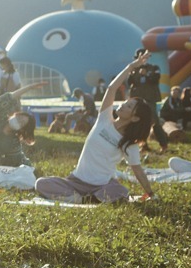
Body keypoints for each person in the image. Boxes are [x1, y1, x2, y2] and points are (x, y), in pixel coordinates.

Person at [35, 52, 157, 203]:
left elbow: (137, 170)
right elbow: (111, 89)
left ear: (135, 117)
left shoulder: (129, 143)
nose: (123, 104)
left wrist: (150, 193)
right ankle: (84, 199)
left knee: (120, 191)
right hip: (75, 182)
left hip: (102, 186)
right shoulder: (104, 119)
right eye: (126, 102)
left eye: (129, 106)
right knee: (41, 183)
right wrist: (131, 67)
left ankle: (83, 199)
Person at [127, 48, 168, 153]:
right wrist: (132, 71)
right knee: (138, 121)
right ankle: (142, 145)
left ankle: (164, 144)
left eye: (146, 57)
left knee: (154, 121)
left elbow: (156, 79)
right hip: (137, 100)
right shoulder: (134, 69)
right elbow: (129, 82)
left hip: (150, 99)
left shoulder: (154, 68)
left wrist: (146, 74)